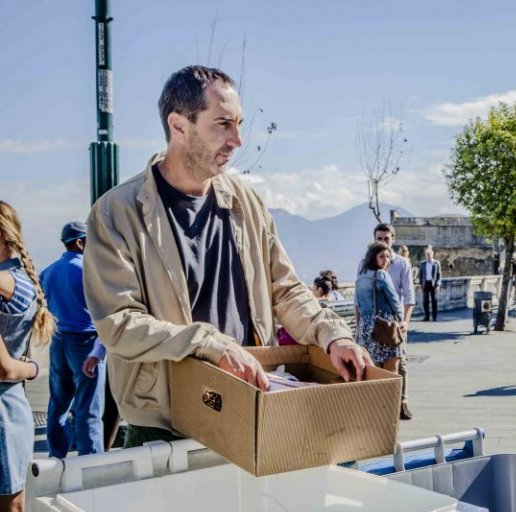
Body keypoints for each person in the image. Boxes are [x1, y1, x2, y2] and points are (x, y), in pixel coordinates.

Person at [83, 65, 370, 447]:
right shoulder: (116, 212)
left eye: (239, 124)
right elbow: (118, 324)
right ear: (179, 125)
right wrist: (210, 344)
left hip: (251, 406)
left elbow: (284, 289)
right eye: (223, 124)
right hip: (164, 425)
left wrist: (333, 336)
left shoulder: (246, 200)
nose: (237, 139)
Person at [0, 200, 55, 512]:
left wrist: (28, 369)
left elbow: (3, 367)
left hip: (4, 414)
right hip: (11, 407)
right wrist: (34, 368)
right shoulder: (21, 281)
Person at [40, 221, 105, 458]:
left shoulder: (48, 272)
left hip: (58, 343)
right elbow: (106, 313)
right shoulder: (90, 272)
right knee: (89, 407)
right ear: (80, 242)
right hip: (87, 344)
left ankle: (56, 455)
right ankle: (91, 462)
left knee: (58, 403)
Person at [358, 223, 414, 419]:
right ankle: (390, 409)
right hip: (388, 324)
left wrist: (405, 322)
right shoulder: (380, 273)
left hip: (372, 327)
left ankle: (392, 405)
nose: (383, 243)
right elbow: (396, 302)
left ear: (393, 239)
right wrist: (399, 318)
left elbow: (409, 296)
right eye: (379, 239)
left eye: (386, 239)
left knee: (379, 368)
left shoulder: (399, 264)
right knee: (391, 369)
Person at [354, 242, 403, 373]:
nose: (386, 260)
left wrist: (358, 330)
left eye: (387, 257)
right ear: (373, 257)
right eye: (382, 256)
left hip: (366, 329)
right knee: (391, 372)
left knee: (374, 373)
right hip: (384, 326)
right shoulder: (381, 275)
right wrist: (401, 320)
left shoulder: (359, 279)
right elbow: (394, 302)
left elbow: (357, 305)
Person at [418, 246, 442, 321]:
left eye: (429, 255)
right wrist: (420, 285)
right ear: (425, 255)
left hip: (433, 284)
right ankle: (427, 316)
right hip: (425, 283)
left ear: (432, 255)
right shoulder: (422, 264)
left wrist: (438, 285)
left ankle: (434, 317)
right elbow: (420, 275)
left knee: (434, 300)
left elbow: (439, 275)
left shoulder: (437, 263)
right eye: (427, 255)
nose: (428, 256)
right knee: (425, 301)